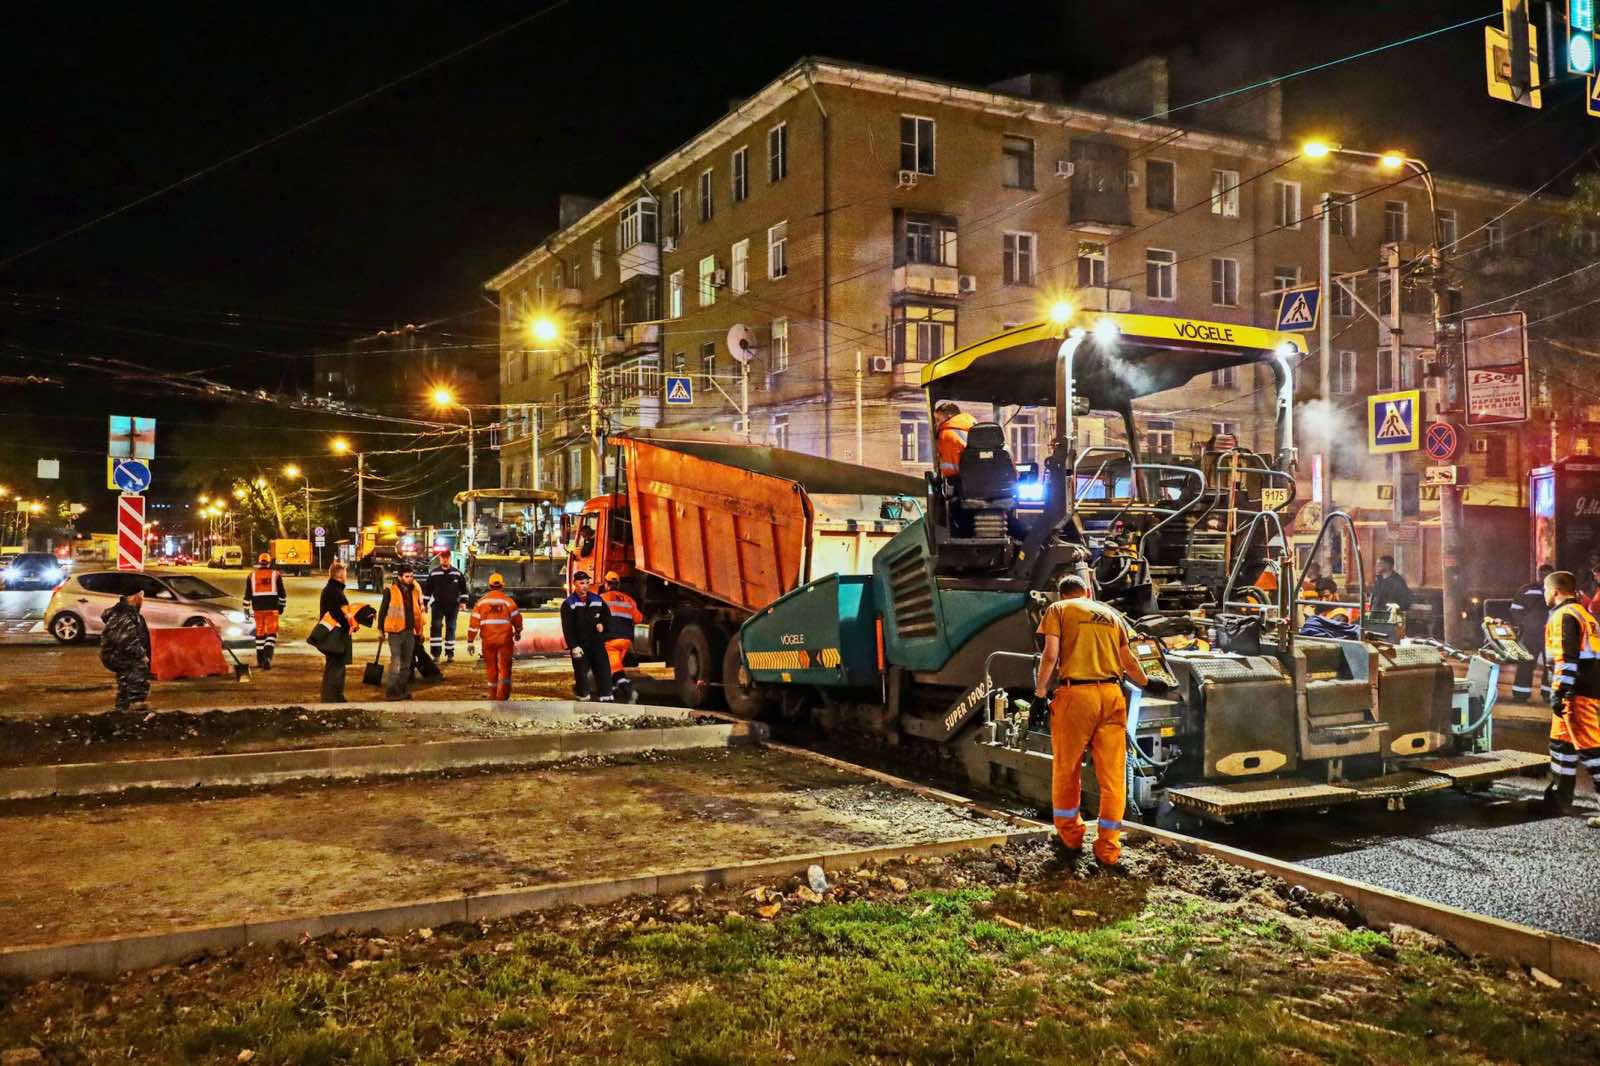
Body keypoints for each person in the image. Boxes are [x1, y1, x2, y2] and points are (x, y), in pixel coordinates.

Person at [1032, 574, 1150, 866]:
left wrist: (1039, 691)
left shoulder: (1058, 610)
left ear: (1062, 594)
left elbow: (1050, 655)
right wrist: (1148, 681)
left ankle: (1071, 837)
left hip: (1077, 695)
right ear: (1087, 591)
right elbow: (1129, 659)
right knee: (1112, 776)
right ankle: (1108, 848)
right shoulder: (1111, 615)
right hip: (1112, 695)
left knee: (1067, 768)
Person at [1541, 570, 1600, 814]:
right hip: (1583, 688)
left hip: (1576, 694)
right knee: (1561, 745)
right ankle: (1560, 798)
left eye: (1546, 590)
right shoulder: (1584, 613)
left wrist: (1560, 692)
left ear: (1554, 591)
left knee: (1592, 752)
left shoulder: (1563, 615)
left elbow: (1567, 659)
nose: (1545, 594)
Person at [315, 561, 374, 703]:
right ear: (340, 575)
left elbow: (342, 612)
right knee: (334, 668)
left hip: (335, 635)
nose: (347, 576)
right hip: (334, 636)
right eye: (345, 573)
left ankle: (337, 696)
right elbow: (338, 614)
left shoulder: (333, 590)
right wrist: (349, 624)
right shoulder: (333, 591)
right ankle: (330, 699)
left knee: (338, 667)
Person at [466, 572, 524, 700]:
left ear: (489, 585)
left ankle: (493, 695)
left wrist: (470, 641)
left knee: (491, 668)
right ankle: (502, 696)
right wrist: (518, 631)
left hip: (488, 641)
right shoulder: (508, 602)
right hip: (505, 641)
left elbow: (474, 623)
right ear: (502, 585)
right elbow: (517, 619)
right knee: (505, 667)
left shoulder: (481, 603)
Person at [561, 570, 613, 701]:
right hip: (580, 644)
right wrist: (573, 646)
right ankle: (584, 697)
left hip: (596, 642)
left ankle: (606, 696)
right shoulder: (569, 604)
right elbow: (568, 628)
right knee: (581, 671)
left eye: (587, 583)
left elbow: (607, 616)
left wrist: (603, 625)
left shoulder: (597, 599)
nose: (585, 586)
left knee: (603, 669)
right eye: (581, 583)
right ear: (574, 584)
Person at [100, 589, 152, 713]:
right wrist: (142, 655)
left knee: (126, 676)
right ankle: (136, 703)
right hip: (117, 654)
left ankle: (123, 706)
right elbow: (127, 639)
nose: (142, 599)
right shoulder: (122, 615)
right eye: (141, 595)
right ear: (133, 597)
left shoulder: (131, 614)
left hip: (120, 653)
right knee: (138, 668)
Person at [378, 568, 426, 701]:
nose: (410, 578)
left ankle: (400, 690)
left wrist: (420, 631)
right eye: (407, 576)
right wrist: (380, 630)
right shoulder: (390, 591)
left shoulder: (414, 591)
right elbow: (382, 611)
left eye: (411, 576)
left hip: (409, 632)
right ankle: (391, 692)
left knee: (406, 664)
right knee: (396, 662)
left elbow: (416, 613)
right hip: (395, 632)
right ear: (400, 577)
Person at [1509, 564, 1555, 703]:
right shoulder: (1527, 589)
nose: (1544, 578)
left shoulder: (1556, 590)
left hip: (1551, 633)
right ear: (1538, 575)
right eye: (1542, 575)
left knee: (1551, 665)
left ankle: (1549, 694)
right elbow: (1515, 609)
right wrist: (1525, 624)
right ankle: (1520, 694)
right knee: (1526, 663)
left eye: (1547, 575)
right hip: (1532, 634)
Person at [599, 570, 643, 702]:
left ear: (606, 584)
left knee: (615, 669)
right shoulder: (629, 600)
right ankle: (613, 692)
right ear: (618, 585)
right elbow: (638, 619)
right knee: (613, 667)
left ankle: (629, 691)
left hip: (610, 641)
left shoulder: (601, 599)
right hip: (625, 641)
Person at [423, 550, 469, 662]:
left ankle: (450, 654)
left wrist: (463, 602)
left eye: (447, 558)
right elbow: (428, 590)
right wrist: (424, 604)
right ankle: (436, 654)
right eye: (443, 558)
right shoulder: (434, 573)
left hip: (453, 606)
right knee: (436, 628)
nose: (445, 559)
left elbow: (464, 589)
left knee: (451, 628)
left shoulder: (457, 574)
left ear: (450, 558)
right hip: (437, 606)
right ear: (440, 559)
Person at [244, 552, 287, 669]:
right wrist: (281, 606)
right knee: (271, 633)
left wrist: (246, 609)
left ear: (259, 562)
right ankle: (267, 657)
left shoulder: (251, 576)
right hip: (272, 609)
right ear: (269, 562)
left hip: (258, 609)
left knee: (260, 634)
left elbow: (247, 594)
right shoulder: (276, 575)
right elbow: (282, 594)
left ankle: (259, 660)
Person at [934, 401, 976, 479]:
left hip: (960, 482)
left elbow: (950, 469)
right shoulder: (973, 427)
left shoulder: (946, 434)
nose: (936, 423)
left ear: (949, 417)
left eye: (938, 419)